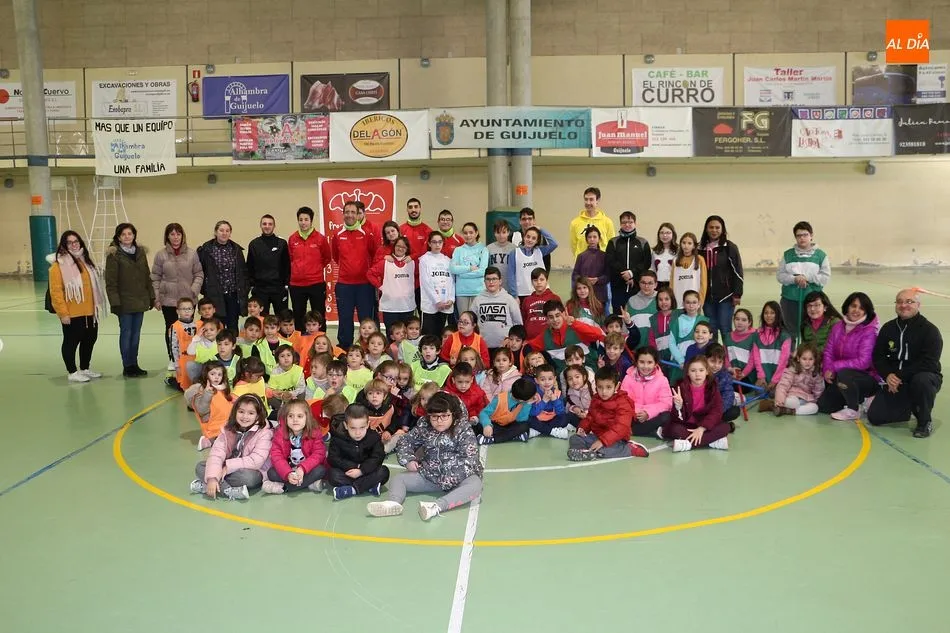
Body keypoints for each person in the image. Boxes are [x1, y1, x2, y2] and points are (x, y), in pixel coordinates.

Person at [368, 392, 484, 521]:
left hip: (459, 478)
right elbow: (405, 441)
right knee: (399, 479)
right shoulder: (424, 425)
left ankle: (436, 507)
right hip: (431, 475)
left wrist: (451, 478)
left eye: (445, 416)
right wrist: (408, 460)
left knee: (475, 485)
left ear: (453, 414)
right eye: (434, 417)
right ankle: (392, 504)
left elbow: (470, 459)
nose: (439, 421)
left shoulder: (464, 429)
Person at [867, 289, 943, 438]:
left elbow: (929, 363)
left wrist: (899, 375)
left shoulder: (930, 331)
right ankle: (909, 405)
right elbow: (878, 356)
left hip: (923, 377)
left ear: (918, 305)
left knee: (922, 381)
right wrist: (888, 375)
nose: (904, 305)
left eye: (909, 302)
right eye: (900, 302)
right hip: (895, 381)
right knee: (876, 417)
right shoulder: (888, 328)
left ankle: (924, 421)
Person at [48, 230, 108, 383]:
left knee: (89, 340)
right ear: (64, 245)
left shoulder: (86, 262)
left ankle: (85, 368)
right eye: (70, 242)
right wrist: (63, 313)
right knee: (71, 342)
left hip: (90, 312)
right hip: (72, 313)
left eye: (76, 241)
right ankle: (72, 371)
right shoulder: (57, 266)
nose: (74, 245)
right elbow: (56, 292)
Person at [190, 393, 273, 500]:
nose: (245, 417)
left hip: (252, 471)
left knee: (250, 479)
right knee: (201, 467)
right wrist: (212, 478)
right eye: (241, 412)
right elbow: (216, 453)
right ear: (235, 412)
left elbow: (255, 461)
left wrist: (228, 466)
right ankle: (227, 490)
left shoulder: (265, 433)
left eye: (251, 413)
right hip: (229, 469)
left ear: (257, 416)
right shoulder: (228, 429)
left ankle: (206, 486)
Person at [817, 292, 880, 421]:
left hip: (865, 378)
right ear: (847, 307)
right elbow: (828, 351)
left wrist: (835, 367)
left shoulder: (869, 331)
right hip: (841, 377)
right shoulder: (837, 327)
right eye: (853, 306)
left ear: (866, 312)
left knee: (845, 374)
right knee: (824, 406)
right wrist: (827, 369)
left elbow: (864, 362)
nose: (856, 310)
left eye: (861, 308)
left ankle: (854, 408)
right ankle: (858, 400)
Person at [151, 222, 203, 371]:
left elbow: (199, 274)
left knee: (188, 330)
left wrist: (193, 290)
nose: (175, 237)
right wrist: (157, 297)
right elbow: (155, 277)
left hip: (188, 299)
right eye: (172, 234)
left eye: (178, 234)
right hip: (168, 300)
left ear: (182, 236)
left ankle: (187, 355)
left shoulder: (192, 254)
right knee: (171, 329)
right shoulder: (161, 255)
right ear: (167, 236)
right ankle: (173, 358)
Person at [105, 222, 155, 378]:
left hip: (140, 301)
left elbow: (147, 276)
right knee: (126, 334)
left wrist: (151, 296)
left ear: (134, 235)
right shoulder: (114, 255)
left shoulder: (140, 253)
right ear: (119, 237)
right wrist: (115, 303)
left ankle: (134, 364)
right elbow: (111, 282)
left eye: (130, 234)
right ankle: (127, 365)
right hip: (124, 303)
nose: (127, 237)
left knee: (136, 335)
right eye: (124, 234)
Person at [568, 367, 649, 461]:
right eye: (600, 387)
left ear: (617, 386)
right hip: (598, 436)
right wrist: (582, 429)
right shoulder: (595, 399)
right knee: (575, 438)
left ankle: (630, 449)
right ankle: (583, 452)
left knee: (603, 451)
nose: (604, 392)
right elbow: (590, 417)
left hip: (617, 440)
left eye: (608, 387)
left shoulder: (623, 403)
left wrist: (602, 441)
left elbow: (621, 427)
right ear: (596, 386)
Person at [330, 200, 378, 349]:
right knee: (344, 319)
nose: (350, 215)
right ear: (343, 214)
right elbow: (335, 256)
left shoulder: (367, 234)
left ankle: (369, 348)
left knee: (366, 320)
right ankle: (344, 348)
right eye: (347, 212)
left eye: (353, 212)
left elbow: (374, 254)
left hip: (364, 285)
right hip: (344, 285)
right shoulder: (337, 235)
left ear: (358, 215)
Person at [776, 221, 831, 338]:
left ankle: (808, 356)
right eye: (798, 236)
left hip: (812, 301)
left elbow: (825, 277)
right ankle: (792, 355)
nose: (802, 238)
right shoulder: (788, 255)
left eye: (805, 235)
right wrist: (795, 279)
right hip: (789, 300)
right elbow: (780, 276)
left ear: (811, 235)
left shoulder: (821, 255)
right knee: (790, 332)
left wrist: (807, 278)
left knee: (811, 331)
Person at [262, 398, 328, 494]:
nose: (295, 420)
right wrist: (288, 473)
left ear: (307, 417)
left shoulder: (314, 432)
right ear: (286, 418)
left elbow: (318, 454)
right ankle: (308, 484)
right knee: (271, 473)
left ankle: (284, 488)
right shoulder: (280, 433)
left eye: (300, 416)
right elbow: (277, 456)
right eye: (291, 416)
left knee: (320, 470)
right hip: (289, 468)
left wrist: (302, 469)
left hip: (307, 469)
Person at [326, 403, 390, 499]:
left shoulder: (374, 437)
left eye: (362, 428)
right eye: (353, 428)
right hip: (348, 472)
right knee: (332, 475)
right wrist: (354, 467)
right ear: (346, 425)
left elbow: (378, 457)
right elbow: (333, 458)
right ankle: (368, 485)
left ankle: (352, 489)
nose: (358, 433)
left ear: (368, 425)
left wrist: (362, 470)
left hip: (367, 471)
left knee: (384, 471)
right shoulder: (338, 438)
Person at [666, 357, 731, 452]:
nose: (697, 374)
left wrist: (701, 428)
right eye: (693, 370)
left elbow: (717, 410)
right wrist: (678, 406)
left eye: (701, 370)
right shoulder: (681, 387)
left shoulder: (712, 387)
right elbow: (675, 418)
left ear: (707, 372)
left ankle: (688, 445)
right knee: (674, 429)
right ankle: (711, 442)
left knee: (725, 427)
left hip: (704, 425)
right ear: (688, 373)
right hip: (686, 425)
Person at [197, 220, 248, 333]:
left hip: (233, 294)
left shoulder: (236, 250)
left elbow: (243, 272)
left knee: (232, 324)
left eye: (227, 231)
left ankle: (233, 349)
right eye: (221, 230)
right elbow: (200, 271)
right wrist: (205, 289)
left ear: (230, 233)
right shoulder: (206, 250)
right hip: (214, 295)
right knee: (215, 325)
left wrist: (244, 290)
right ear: (215, 232)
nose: (224, 233)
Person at [699, 215, 743, 343]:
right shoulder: (699, 248)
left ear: (722, 229)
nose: (714, 230)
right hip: (706, 297)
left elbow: (738, 272)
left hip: (726, 296)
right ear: (706, 229)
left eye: (717, 227)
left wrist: (737, 294)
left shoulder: (729, 247)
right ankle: (713, 358)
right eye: (711, 227)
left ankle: (728, 358)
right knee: (711, 329)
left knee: (725, 328)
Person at [286, 206, 332, 332]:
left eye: (306, 219)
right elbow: (290, 259)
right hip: (296, 284)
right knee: (299, 315)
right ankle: (301, 342)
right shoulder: (292, 239)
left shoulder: (320, 239)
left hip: (316, 283)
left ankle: (321, 341)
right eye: (300, 219)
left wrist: (315, 269)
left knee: (319, 315)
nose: (303, 222)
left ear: (311, 221)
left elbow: (327, 258)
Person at [368, 236, 417, 340]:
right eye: (398, 246)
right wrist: (381, 286)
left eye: (404, 247)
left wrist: (410, 289)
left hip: (407, 306)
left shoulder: (412, 263)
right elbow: (370, 274)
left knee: (405, 335)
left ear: (407, 249)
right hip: (390, 307)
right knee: (391, 335)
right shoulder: (385, 262)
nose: (400, 249)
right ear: (394, 247)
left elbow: (419, 277)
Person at [605, 211, 651, 315]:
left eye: (630, 222)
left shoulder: (643, 242)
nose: (627, 224)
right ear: (620, 224)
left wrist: (632, 274)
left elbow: (646, 263)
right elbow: (610, 261)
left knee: (635, 314)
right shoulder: (613, 242)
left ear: (635, 223)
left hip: (636, 285)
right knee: (619, 314)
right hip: (617, 286)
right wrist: (624, 274)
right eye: (624, 222)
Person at [246, 214, 290, 318]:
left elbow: (287, 265)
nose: (267, 226)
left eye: (270, 224)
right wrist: (252, 284)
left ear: (274, 226)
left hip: (278, 288)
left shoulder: (282, 243)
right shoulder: (254, 244)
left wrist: (286, 284)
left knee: (282, 318)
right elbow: (250, 266)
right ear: (260, 226)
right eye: (264, 224)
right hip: (260, 289)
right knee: (261, 319)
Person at [469, 266, 522, 353]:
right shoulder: (477, 300)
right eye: (488, 279)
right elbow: (471, 323)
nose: (491, 282)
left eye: (494, 279)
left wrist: (511, 340)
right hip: (482, 347)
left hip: (505, 347)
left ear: (500, 281)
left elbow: (518, 324)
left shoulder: (509, 299)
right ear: (484, 281)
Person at [185, 361, 235, 450]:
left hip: (228, 425)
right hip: (213, 428)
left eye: (219, 375)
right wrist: (207, 394)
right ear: (206, 375)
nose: (216, 377)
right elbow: (202, 410)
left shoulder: (223, 389)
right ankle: (208, 441)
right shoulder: (201, 391)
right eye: (212, 374)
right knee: (224, 440)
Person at [478, 376, 536, 444]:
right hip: (494, 424)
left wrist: (528, 404)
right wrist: (487, 425)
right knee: (480, 427)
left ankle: (494, 439)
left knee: (524, 425)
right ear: (521, 400)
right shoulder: (499, 399)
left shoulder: (524, 402)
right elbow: (483, 413)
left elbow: (521, 419)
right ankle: (513, 436)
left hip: (509, 424)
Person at [418, 231, 455, 337]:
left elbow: (452, 281)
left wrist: (451, 299)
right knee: (429, 337)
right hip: (430, 305)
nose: (437, 245)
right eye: (434, 242)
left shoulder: (448, 260)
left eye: (440, 242)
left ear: (443, 243)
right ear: (429, 243)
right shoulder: (424, 259)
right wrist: (437, 301)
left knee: (442, 337)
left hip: (446, 305)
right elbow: (426, 282)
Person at [773, 343, 825, 416]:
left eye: (811, 359)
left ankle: (788, 411)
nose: (807, 362)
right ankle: (779, 404)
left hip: (807, 399)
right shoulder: (792, 370)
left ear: (815, 360)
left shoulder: (816, 374)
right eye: (804, 359)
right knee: (793, 402)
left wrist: (816, 400)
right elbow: (783, 385)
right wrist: (780, 399)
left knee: (815, 408)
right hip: (793, 396)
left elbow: (818, 390)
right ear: (798, 358)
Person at [509, 228, 559, 301]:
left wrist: (541, 229)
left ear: (537, 241)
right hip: (522, 294)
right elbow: (511, 275)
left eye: (533, 238)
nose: (530, 240)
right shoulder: (514, 253)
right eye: (528, 237)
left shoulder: (540, 251)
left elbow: (554, 244)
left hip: (540, 292)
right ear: (524, 237)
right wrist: (514, 295)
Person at [450, 222, 489, 314]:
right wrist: (470, 268)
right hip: (462, 291)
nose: (468, 235)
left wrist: (461, 273)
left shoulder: (483, 249)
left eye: (471, 232)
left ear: (476, 233)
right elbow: (453, 269)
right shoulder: (458, 250)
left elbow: (482, 272)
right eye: (465, 233)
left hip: (478, 290)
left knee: (477, 321)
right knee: (464, 320)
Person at [568, 186, 616, 258]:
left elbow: (612, 246)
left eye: (591, 199)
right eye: (586, 199)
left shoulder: (607, 222)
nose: (588, 202)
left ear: (597, 200)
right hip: (582, 265)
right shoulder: (575, 223)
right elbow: (574, 246)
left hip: (602, 264)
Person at [571, 226, 609, 306]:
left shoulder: (605, 256)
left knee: (600, 318)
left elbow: (608, 276)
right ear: (586, 239)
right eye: (589, 237)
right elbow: (574, 275)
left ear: (599, 239)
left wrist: (597, 279)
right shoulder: (581, 256)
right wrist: (584, 281)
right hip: (584, 297)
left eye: (595, 237)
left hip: (599, 296)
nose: (592, 239)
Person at [670, 232, 707, 310]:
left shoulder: (699, 260)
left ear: (694, 246)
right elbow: (672, 283)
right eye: (684, 243)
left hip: (694, 302)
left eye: (689, 243)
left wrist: (701, 301)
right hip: (678, 301)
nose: (686, 246)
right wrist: (672, 300)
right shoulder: (675, 260)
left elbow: (703, 283)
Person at [510, 207, 554, 272]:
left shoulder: (541, 238)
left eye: (530, 219)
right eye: (524, 219)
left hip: (536, 277)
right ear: (520, 221)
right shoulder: (513, 236)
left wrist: (544, 278)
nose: (527, 222)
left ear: (534, 221)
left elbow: (546, 261)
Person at [800, 291, 842, 357]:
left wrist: (809, 354)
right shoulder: (805, 324)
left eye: (817, 305)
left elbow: (831, 346)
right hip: (811, 360)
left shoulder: (835, 323)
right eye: (809, 305)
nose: (812, 309)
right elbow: (804, 344)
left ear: (825, 307)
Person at [487, 220, 516, 289]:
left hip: (510, 287)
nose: (501, 235)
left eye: (504, 232)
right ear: (494, 233)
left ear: (508, 232)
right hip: (493, 287)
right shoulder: (488, 248)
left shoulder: (514, 248)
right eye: (498, 232)